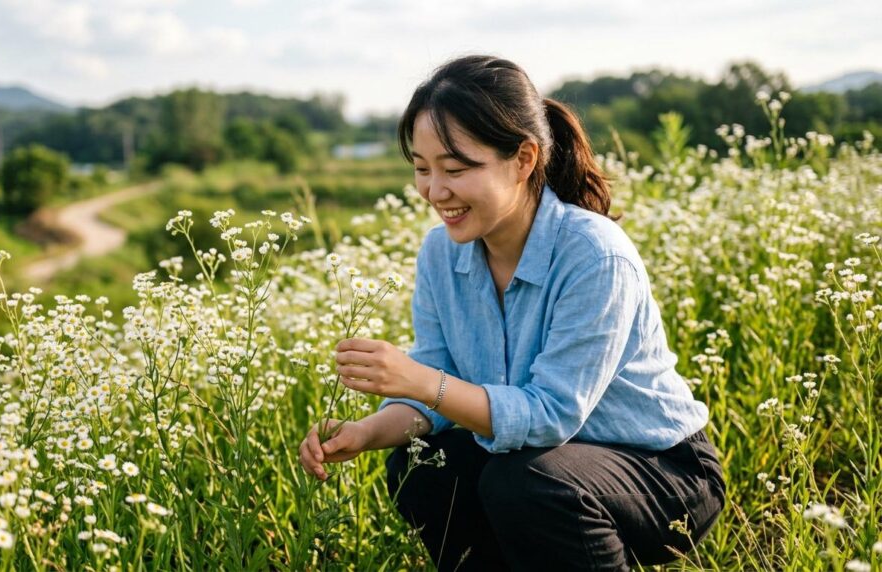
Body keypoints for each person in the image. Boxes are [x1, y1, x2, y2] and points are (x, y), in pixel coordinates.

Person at [298, 54, 725, 571]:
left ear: (524, 160)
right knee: (422, 466)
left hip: (661, 473)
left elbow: (549, 416)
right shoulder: (441, 253)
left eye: (455, 169)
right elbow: (439, 397)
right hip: (547, 467)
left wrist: (417, 379)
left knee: (523, 481)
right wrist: (367, 431)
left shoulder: (594, 253)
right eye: (421, 168)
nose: (435, 191)